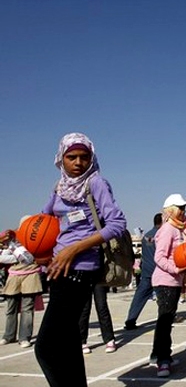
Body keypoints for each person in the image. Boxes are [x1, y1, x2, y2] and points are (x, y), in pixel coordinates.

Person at [33, 132, 127, 387]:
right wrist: (27, 237)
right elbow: (44, 220)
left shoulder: (96, 183)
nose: (78, 162)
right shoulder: (58, 187)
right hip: (59, 268)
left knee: (46, 348)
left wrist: (73, 249)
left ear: (91, 158)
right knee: (68, 343)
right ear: (60, 159)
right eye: (71, 157)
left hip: (81, 268)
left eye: (84, 157)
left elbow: (117, 223)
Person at [151, 193, 186, 377]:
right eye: (181, 208)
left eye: (185, 208)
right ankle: (163, 361)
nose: (184, 211)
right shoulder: (168, 229)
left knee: (166, 321)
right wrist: (176, 269)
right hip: (165, 281)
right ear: (171, 210)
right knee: (165, 322)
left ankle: (158, 355)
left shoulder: (179, 229)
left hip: (173, 282)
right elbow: (159, 257)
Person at [0, 227, 43, 348]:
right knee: (10, 308)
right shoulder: (13, 242)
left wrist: (21, 257)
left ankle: (25, 337)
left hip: (31, 274)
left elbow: (31, 258)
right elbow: (3, 257)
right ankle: (9, 336)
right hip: (14, 276)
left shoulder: (37, 242)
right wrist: (18, 257)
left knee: (27, 308)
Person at [124, 213, 162, 330]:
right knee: (164, 298)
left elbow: (144, 254)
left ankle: (131, 320)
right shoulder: (161, 235)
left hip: (146, 271)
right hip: (158, 271)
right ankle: (167, 318)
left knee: (139, 297)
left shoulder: (146, 236)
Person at [79, 284, 116, 353]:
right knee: (84, 309)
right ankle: (82, 341)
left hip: (98, 277)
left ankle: (109, 339)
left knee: (102, 306)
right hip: (84, 277)